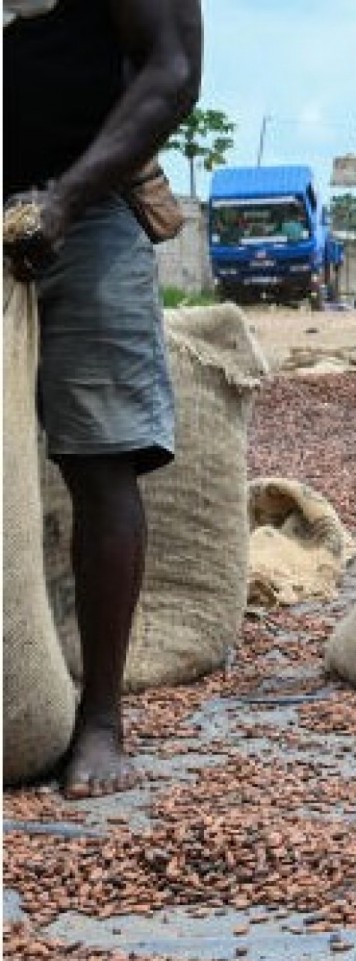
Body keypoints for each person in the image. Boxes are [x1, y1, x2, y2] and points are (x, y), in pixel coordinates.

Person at [3, 0, 203, 797]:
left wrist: (67, 198)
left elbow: (174, 69)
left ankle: (100, 718)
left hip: (83, 211)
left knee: (101, 455)